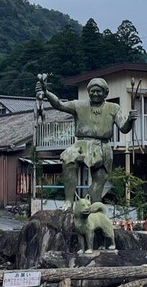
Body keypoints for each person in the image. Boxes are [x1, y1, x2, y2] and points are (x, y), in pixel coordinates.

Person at [36, 74, 137, 208]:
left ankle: (94, 205)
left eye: (99, 91)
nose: (95, 93)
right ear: (88, 92)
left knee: (100, 178)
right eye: (92, 91)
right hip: (82, 144)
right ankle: (68, 201)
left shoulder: (114, 108)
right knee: (68, 159)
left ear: (106, 93)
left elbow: (124, 128)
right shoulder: (79, 105)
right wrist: (47, 92)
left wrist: (130, 119)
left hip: (103, 146)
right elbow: (59, 104)